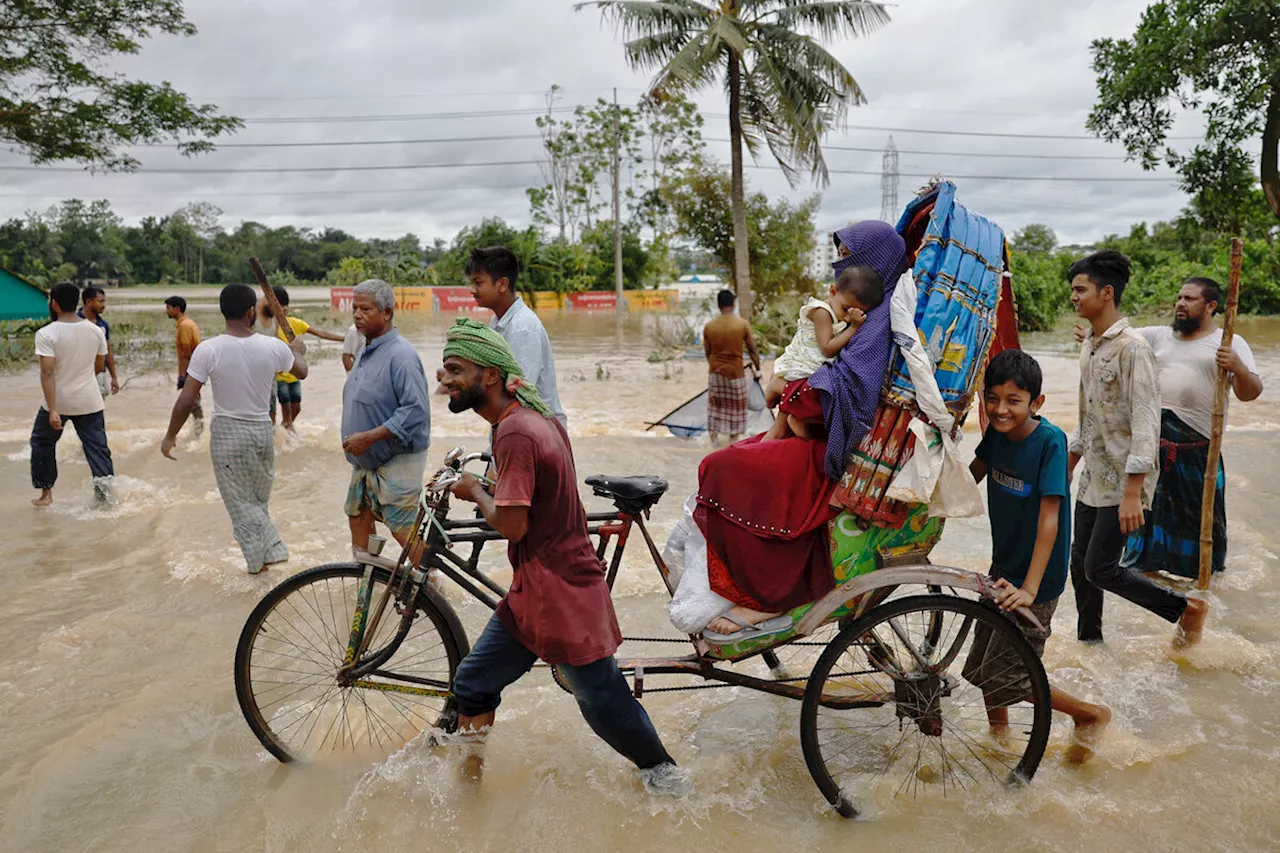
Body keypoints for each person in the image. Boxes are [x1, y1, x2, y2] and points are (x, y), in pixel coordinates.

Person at [438, 318, 686, 796]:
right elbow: (526, 498)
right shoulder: (534, 419)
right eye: (444, 370)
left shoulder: (513, 433)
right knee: (473, 682)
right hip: (537, 588)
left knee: (603, 700)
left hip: (559, 592)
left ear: (489, 376)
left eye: (455, 369)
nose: (445, 380)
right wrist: (487, 489)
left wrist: (472, 489)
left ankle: (667, 779)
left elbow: (512, 524)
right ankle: (466, 792)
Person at [697, 222, 908, 641]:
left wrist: (788, 392)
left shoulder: (875, 322)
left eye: (849, 255)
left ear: (872, 262)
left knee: (718, 466)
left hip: (823, 444)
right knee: (733, 455)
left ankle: (767, 599)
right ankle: (739, 584)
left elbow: (850, 395)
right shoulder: (857, 310)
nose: (840, 264)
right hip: (804, 427)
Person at [965, 350, 1111, 763]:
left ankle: (1089, 714)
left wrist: (1031, 588)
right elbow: (974, 471)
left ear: (1036, 403)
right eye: (992, 398)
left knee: (1011, 673)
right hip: (1004, 566)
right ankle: (999, 739)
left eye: (1014, 400)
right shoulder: (995, 431)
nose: (1000, 409)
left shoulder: (1049, 442)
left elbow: (1050, 516)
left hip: (1037, 580)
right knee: (982, 664)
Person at [1066, 250, 1209, 646]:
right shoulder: (1090, 345)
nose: (1074, 297)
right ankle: (1089, 642)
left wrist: (1133, 492)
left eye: (1081, 289)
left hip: (1126, 480)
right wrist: (1071, 460)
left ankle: (1185, 610)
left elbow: (1147, 421)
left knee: (1101, 568)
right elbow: (1087, 412)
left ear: (1106, 293)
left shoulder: (1133, 349)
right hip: (1095, 474)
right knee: (1079, 565)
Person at [1118, 277, 1263, 580]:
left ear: (1211, 306)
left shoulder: (1230, 342)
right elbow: (1117, 338)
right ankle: (1147, 586)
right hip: (1153, 448)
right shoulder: (1158, 336)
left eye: (1190, 299)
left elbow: (1251, 393)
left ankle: (1199, 593)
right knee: (1144, 536)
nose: (1181, 303)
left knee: (1201, 536)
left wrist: (1237, 367)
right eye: (1180, 297)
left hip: (1198, 451)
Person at [160, 284, 307, 574]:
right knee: (256, 502)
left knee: (242, 505)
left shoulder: (209, 349)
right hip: (263, 432)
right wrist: (297, 350)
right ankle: (266, 560)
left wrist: (170, 435)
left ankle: (262, 565)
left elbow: (185, 401)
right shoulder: (273, 347)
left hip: (229, 434)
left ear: (223, 312)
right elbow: (302, 370)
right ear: (251, 312)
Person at [340, 279, 431, 552]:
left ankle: (433, 588)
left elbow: (416, 410)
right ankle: (364, 586)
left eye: (365, 309)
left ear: (387, 313)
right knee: (358, 519)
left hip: (398, 460)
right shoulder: (366, 348)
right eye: (355, 308)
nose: (357, 315)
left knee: (404, 533)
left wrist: (369, 437)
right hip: (366, 464)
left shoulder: (401, 355)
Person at [763, 265, 885, 441]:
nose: (846, 316)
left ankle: (798, 422)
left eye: (857, 312)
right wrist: (854, 327)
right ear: (833, 291)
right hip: (803, 365)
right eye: (845, 309)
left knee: (778, 430)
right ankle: (779, 387)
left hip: (810, 366)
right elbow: (827, 348)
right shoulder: (822, 312)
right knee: (825, 395)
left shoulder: (839, 310)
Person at [30, 282, 114, 506]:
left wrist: (54, 409)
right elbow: (98, 366)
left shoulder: (46, 333)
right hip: (89, 400)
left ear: (54, 304)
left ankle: (46, 494)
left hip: (58, 401)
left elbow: (47, 373)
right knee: (98, 451)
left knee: (42, 443)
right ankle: (105, 500)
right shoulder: (96, 330)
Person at [466, 246, 567, 427]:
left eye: (478, 283)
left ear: (502, 284)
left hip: (536, 433)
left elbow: (519, 392)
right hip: (516, 427)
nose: (472, 290)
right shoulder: (497, 322)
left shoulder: (522, 328)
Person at [260, 286, 345, 430]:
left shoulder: (295, 323)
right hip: (280, 377)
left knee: (296, 408)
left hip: (294, 375)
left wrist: (345, 339)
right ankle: (286, 433)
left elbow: (321, 334)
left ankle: (285, 430)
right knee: (285, 409)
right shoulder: (269, 327)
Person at [702, 289, 761, 447]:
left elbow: (708, 353)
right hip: (735, 373)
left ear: (718, 305)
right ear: (733, 304)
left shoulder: (709, 326)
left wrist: (716, 367)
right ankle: (733, 441)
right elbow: (752, 351)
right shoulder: (742, 324)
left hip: (715, 373)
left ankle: (714, 441)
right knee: (736, 408)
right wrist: (758, 370)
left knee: (715, 406)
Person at [165, 296, 204, 437]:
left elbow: (186, 353)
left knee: (191, 404)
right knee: (193, 404)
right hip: (195, 370)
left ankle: (199, 434)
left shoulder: (185, 326)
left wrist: (183, 375)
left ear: (177, 309)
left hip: (191, 371)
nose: (167, 311)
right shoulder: (186, 324)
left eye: (168, 308)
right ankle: (197, 433)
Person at [78, 286, 119, 398]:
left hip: (99, 374)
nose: (103, 305)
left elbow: (108, 352)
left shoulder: (102, 325)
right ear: (89, 302)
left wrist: (113, 377)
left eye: (104, 301)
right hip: (77, 374)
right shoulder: (74, 322)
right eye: (100, 301)